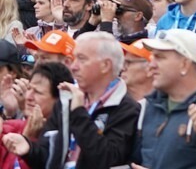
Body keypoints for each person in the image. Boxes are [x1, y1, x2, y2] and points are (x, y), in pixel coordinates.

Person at [2, 31, 140, 168]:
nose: (74, 67)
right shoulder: (65, 100)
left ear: (105, 65)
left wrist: (79, 113)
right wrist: (28, 149)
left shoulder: (127, 108)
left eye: (82, 59)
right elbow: (49, 157)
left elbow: (106, 159)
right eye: (74, 59)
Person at [138, 28, 196, 169]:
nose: (151, 65)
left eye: (160, 57)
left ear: (185, 64)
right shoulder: (152, 104)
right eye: (152, 57)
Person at [0, 61, 74, 169]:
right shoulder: (13, 126)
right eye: (29, 88)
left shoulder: (62, 139)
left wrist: (29, 144)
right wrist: (10, 112)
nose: (29, 96)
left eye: (38, 92)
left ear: (58, 100)